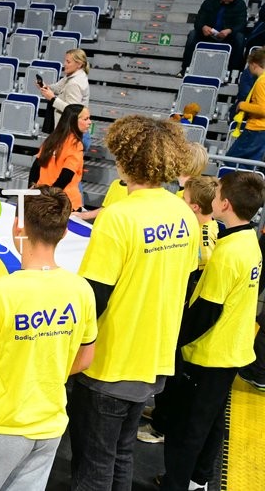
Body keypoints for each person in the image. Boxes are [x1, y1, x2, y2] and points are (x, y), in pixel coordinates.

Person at [68, 115, 199, 490]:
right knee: (122, 454)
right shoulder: (184, 215)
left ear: (125, 159)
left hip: (111, 362)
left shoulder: (118, 217)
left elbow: (94, 297)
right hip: (153, 360)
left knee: (93, 464)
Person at [0, 186, 97, 490]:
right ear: (65, 232)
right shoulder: (81, 290)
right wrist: (42, 372)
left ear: (18, 226)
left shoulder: (1, 292)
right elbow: (85, 358)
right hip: (48, 424)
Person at [160, 172, 265, 491]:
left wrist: (174, 342)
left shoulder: (228, 253)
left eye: (217, 193)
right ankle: (199, 480)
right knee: (212, 421)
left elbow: (207, 311)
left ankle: (175, 484)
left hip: (209, 354)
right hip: (233, 349)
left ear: (225, 204)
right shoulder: (249, 241)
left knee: (186, 428)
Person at [136, 175, 220, 446]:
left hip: (184, 314)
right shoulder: (207, 228)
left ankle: (162, 426)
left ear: (194, 207)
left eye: (184, 198)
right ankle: (161, 413)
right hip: (181, 310)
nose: (179, 201)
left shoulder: (201, 239)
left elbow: (194, 278)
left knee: (173, 370)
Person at [28, 104, 90, 211]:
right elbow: (66, 176)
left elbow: (36, 166)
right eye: (86, 119)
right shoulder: (75, 144)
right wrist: (51, 197)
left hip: (42, 198)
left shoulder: (52, 139)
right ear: (73, 121)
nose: (90, 122)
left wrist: (32, 190)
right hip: (64, 202)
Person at [179, 0, 247, 76]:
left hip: (228, 36)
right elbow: (198, 21)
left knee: (240, 38)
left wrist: (229, 30)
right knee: (193, 34)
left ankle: (233, 73)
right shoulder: (209, 2)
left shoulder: (240, 5)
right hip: (208, 34)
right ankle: (185, 69)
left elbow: (242, 24)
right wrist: (203, 27)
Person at [226, 48, 265, 163]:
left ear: (254, 65)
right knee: (251, 165)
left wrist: (242, 105)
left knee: (230, 161)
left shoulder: (261, 82)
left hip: (256, 129)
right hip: (260, 131)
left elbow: (263, 109)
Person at [39, 48, 90, 128]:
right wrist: (45, 86)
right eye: (65, 61)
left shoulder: (74, 83)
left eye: (68, 62)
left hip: (68, 127)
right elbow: (58, 87)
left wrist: (52, 98)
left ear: (79, 64)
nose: (64, 64)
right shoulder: (73, 75)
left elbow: (72, 111)